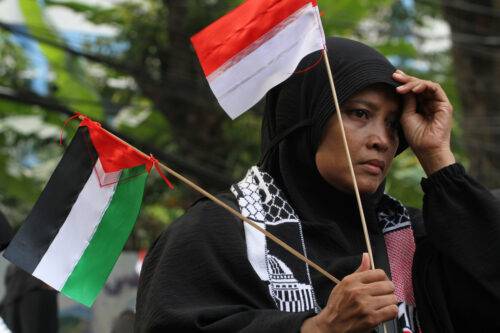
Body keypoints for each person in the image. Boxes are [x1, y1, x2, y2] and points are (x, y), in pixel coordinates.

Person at [135, 37, 500, 332]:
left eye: (393, 123)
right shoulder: (216, 234)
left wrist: (437, 156)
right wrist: (320, 328)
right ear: (306, 118)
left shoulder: (412, 238)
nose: (382, 140)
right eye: (360, 113)